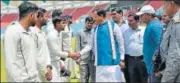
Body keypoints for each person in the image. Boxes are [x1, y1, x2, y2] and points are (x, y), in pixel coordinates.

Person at [75, 8, 125, 82]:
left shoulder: (114, 26)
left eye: (95, 17)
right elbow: (89, 45)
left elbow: (121, 44)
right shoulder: (94, 29)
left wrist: (122, 59)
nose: (94, 19)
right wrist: (79, 53)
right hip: (99, 65)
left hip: (113, 64)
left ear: (101, 16)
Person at [3, 2, 44, 82]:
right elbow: (10, 64)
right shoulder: (12, 32)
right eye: (36, 15)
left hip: (34, 79)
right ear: (31, 15)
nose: (37, 19)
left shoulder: (30, 32)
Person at [46, 15, 79, 82]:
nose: (65, 25)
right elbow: (56, 52)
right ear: (57, 24)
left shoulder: (58, 33)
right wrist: (71, 55)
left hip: (58, 62)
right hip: (52, 63)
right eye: (63, 23)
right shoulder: (52, 35)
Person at [136, 5, 163, 82]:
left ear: (149, 15)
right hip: (151, 66)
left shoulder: (155, 26)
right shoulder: (151, 25)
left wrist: (159, 67)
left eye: (142, 15)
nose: (140, 17)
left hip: (155, 67)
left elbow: (161, 46)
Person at [123, 13, 148, 83]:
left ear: (137, 20)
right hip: (131, 60)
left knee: (145, 78)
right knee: (133, 79)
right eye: (128, 21)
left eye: (131, 21)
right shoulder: (125, 32)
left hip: (143, 59)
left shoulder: (144, 30)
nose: (129, 23)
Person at [29, 8, 52, 82]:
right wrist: (45, 71)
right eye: (45, 16)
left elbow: (46, 51)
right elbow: (34, 55)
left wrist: (48, 66)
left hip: (45, 70)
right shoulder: (32, 33)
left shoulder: (43, 33)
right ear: (39, 18)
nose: (47, 19)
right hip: (37, 73)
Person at [160, 0, 180, 82]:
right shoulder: (174, 20)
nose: (163, 7)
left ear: (171, 3)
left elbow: (175, 55)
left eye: (164, 3)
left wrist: (166, 80)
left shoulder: (177, 22)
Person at [76, 16, 95, 82]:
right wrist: (78, 58)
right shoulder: (79, 32)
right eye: (88, 23)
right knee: (84, 77)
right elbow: (78, 46)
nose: (90, 24)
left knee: (93, 77)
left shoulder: (95, 31)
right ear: (85, 23)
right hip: (83, 59)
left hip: (93, 59)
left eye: (91, 23)